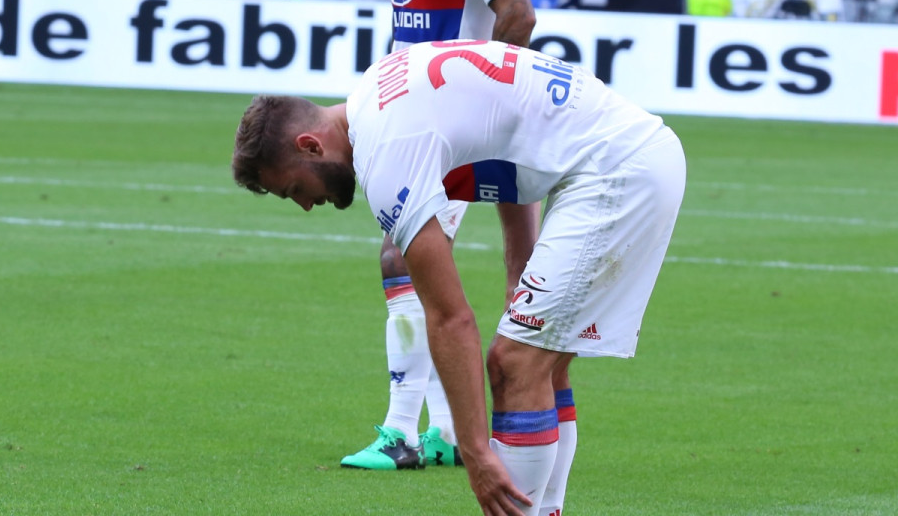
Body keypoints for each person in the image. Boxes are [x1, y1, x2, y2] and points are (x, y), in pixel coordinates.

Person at [231, 39, 687, 516]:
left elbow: (451, 319)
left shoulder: (386, 157)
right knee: (543, 365)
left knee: (515, 363)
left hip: (615, 172)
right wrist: (519, 265)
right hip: (622, 153)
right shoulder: (377, 85)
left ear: (310, 145)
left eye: (294, 188)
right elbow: (510, 136)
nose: (306, 204)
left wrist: (474, 451)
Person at [346, 0, 539, 476]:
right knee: (420, 267)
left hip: (450, 128)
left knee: (402, 257)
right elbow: (412, 28)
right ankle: (449, 432)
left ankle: (401, 433)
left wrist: (473, 101)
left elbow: (518, 14)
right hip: (415, 120)